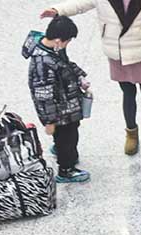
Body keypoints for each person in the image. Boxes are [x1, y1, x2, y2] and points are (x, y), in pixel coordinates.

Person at [42, 0, 141, 156]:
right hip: (117, 52)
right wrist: (58, 9)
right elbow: (81, 4)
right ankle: (131, 132)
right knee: (127, 94)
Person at [23, 16, 90, 184]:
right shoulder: (43, 64)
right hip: (60, 113)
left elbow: (66, 65)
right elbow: (44, 96)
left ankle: (63, 150)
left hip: (67, 106)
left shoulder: (54, 49)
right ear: (59, 40)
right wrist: (50, 121)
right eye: (68, 41)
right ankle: (65, 169)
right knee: (67, 137)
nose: (67, 45)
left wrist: (79, 76)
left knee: (67, 134)